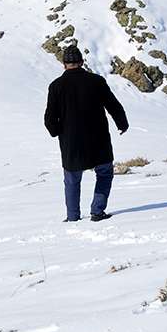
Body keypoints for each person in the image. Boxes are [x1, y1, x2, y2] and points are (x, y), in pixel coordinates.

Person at [44, 45, 129, 222]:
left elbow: (49, 118)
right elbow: (113, 105)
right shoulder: (96, 81)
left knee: (72, 179)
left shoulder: (56, 86)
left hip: (71, 142)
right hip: (98, 139)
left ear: (64, 64)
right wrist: (122, 123)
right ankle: (97, 211)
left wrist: (57, 131)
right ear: (82, 62)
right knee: (104, 173)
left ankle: (72, 217)